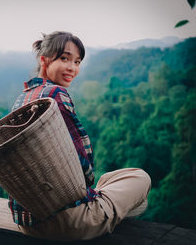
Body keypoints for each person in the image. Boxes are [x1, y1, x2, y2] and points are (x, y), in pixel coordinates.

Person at [8, 31, 151, 241]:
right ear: (44, 60)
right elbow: (83, 171)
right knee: (140, 178)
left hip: (25, 222)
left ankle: (111, 208)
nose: (72, 68)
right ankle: (111, 212)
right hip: (66, 224)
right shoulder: (56, 94)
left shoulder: (24, 97)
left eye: (77, 61)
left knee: (111, 179)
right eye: (64, 59)